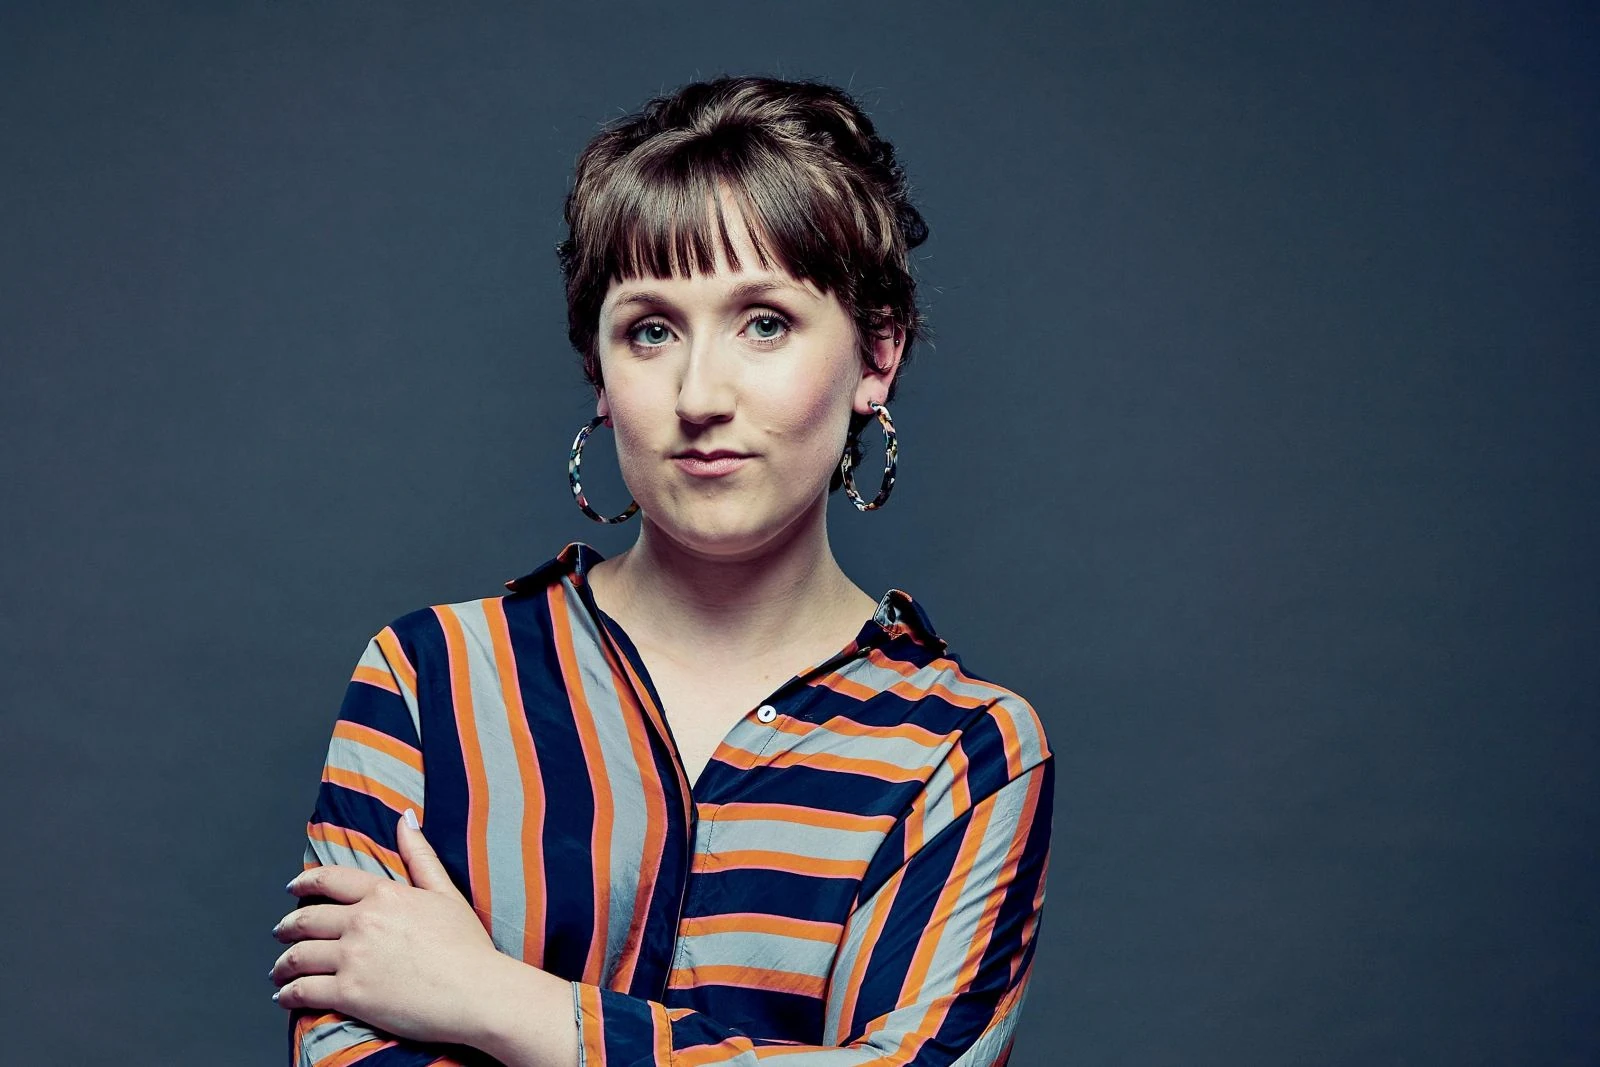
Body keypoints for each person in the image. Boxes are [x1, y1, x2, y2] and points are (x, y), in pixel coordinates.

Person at [268, 73, 1055, 1067]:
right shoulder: (431, 679)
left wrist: (500, 1001)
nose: (699, 394)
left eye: (763, 322)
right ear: (598, 374)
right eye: (651, 330)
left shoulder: (966, 751)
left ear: (876, 355)